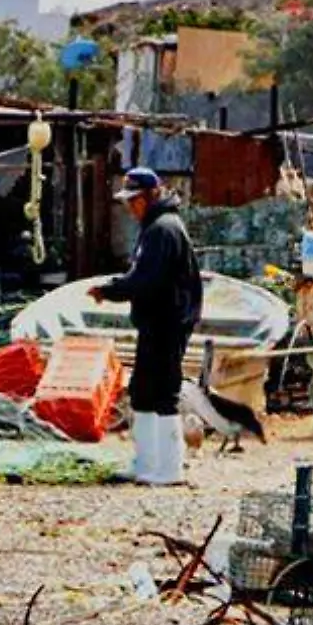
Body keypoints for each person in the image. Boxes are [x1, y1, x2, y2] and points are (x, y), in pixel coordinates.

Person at [89, 167, 202, 486]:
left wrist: (109, 290)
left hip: (169, 321)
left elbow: (146, 280)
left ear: (153, 195)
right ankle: (146, 464)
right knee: (143, 391)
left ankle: (169, 469)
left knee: (163, 391)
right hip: (156, 321)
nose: (131, 208)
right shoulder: (155, 227)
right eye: (128, 201)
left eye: (136, 200)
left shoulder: (163, 230)